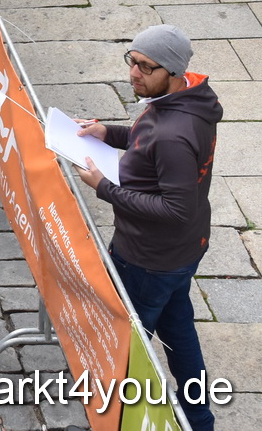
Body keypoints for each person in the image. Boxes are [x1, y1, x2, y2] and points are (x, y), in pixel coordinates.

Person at [74, 25, 221, 431]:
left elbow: (175, 208)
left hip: (149, 259)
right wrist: (110, 133)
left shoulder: (174, 132)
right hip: (180, 251)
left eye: (144, 66)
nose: (133, 73)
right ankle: (200, 421)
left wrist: (104, 188)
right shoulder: (182, 100)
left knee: (121, 351)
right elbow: (145, 141)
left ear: (171, 71)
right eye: (131, 60)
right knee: (179, 333)